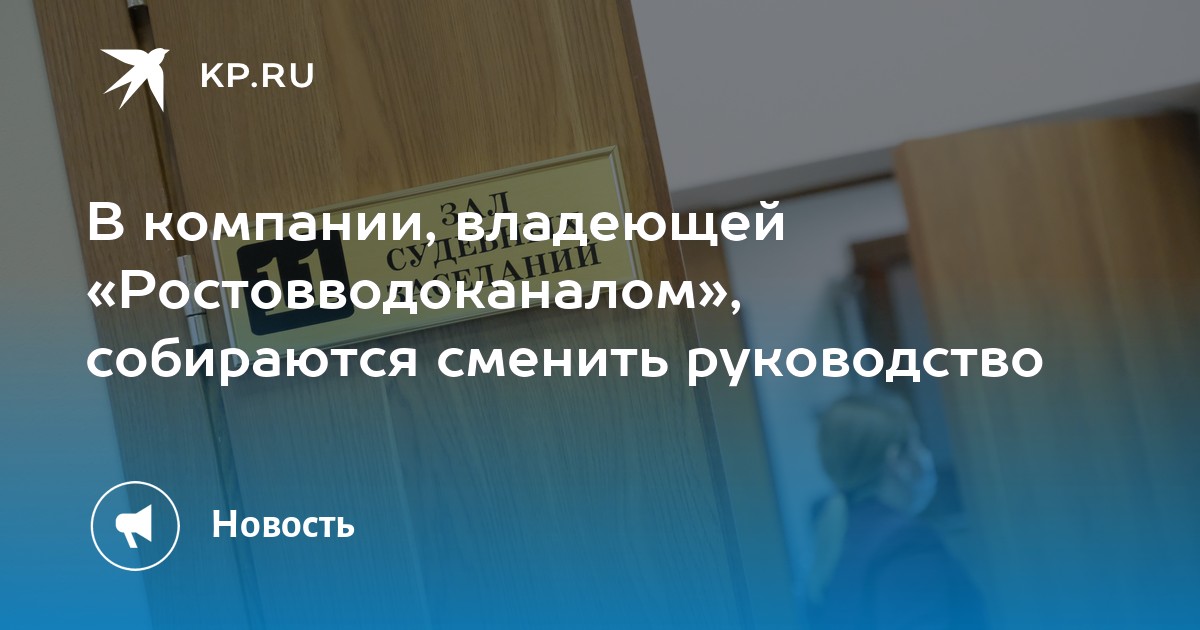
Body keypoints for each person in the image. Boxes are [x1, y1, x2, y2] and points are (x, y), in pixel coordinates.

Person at [807, 393, 986, 630]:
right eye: (917, 442)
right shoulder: (906, 540)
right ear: (895, 460)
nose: (924, 454)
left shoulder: (839, 530)